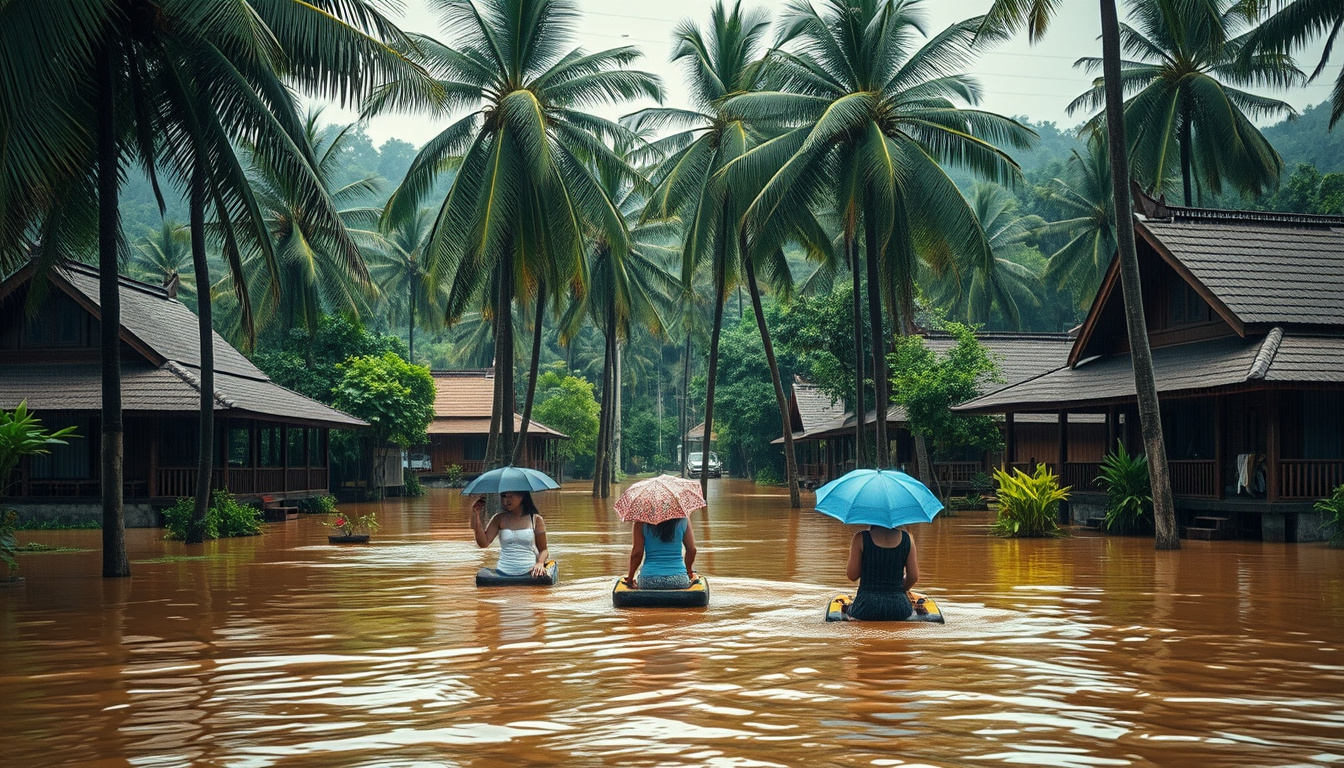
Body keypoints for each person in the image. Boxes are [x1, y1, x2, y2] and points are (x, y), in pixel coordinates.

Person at [845, 525, 919, 621]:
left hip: (865, 606)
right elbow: (913, 577)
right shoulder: (908, 539)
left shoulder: (860, 538)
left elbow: (852, 575)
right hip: (899, 608)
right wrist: (899, 589)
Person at [470, 491, 549, 577]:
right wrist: (476, 514)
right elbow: (483, 543)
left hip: (529, 572)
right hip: (502, 572)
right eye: (503, 496)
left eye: (510, 496)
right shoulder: (498, 518)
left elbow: (544, 550)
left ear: (522, 495)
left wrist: (540, 563)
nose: (505, 501)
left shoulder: (536, 519)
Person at [625, 517, 697, 589]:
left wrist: (630, 578)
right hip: (679, 580)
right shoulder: (684, 519)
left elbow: (637, 553)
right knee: (695, 578)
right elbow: (691, 550)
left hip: (648, 580)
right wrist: (689, 571)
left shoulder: (640, 522)